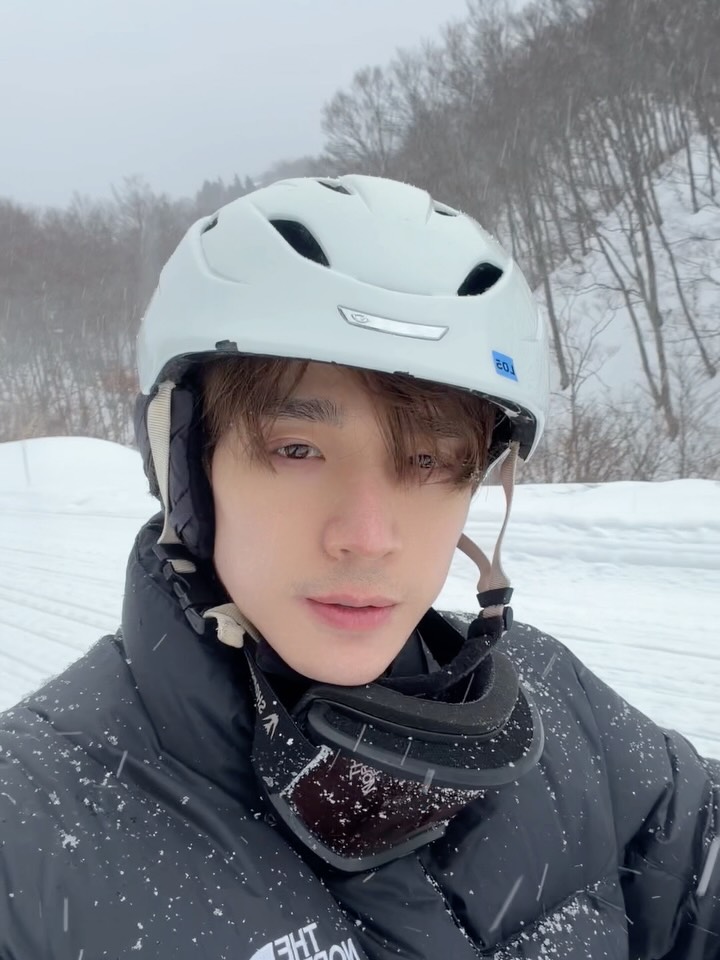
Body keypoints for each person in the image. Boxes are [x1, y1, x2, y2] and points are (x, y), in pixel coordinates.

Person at [0, 175, 718, 960]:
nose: (369, 537)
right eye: (296, 449)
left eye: (430, 459)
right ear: (186, 468)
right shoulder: (30, 831)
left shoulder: (559, 710)